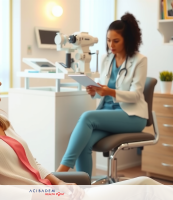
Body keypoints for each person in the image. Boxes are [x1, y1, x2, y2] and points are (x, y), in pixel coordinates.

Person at [0, 54, 173, 200]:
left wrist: (60, 183)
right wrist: (48, 195)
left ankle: (66, 169)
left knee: (143, 185)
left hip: (57, 192)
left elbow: (33, 163)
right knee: (142, 188)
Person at [57, 12, 148, 178]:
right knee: (85, 144)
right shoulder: (107, 59)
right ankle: (83, 188)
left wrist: (110, 91)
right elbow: (103, 92)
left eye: (116, 40)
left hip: (131, 116)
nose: (110, 45)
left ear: (127, 39)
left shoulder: (139, 60)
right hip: (108, 113)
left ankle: (61, 172)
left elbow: (135, 95)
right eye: (108, 40)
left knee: (87, 117)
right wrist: (95, 91)